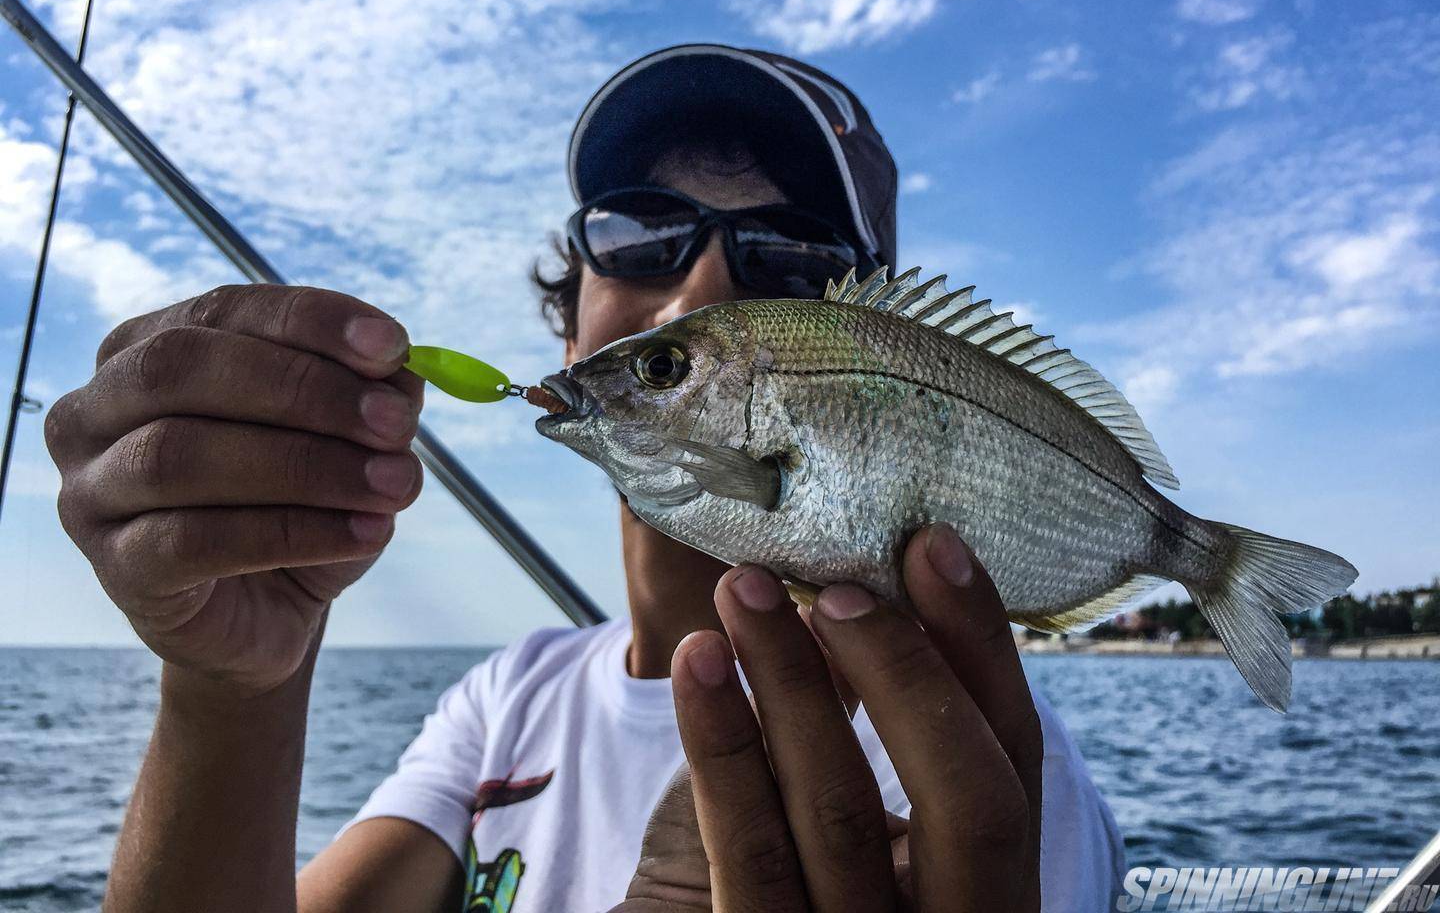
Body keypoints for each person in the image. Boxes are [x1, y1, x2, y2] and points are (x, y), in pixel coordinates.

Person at [44, 44, 1127, 912]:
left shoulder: (968, 769)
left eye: (790, 264)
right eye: (642, 234)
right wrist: (235, 692)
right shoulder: (510, 698)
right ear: (570, 327)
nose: (699, 292)